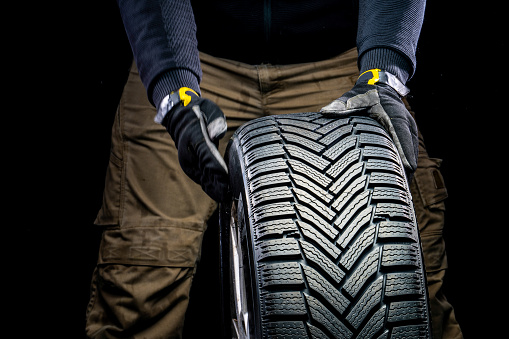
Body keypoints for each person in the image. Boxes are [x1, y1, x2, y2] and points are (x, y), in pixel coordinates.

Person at [85, 0, 463, 338]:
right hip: (195, 60)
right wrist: (174, 90)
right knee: (140, 279)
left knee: (403, 279)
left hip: (344, 64)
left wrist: (384, 69)